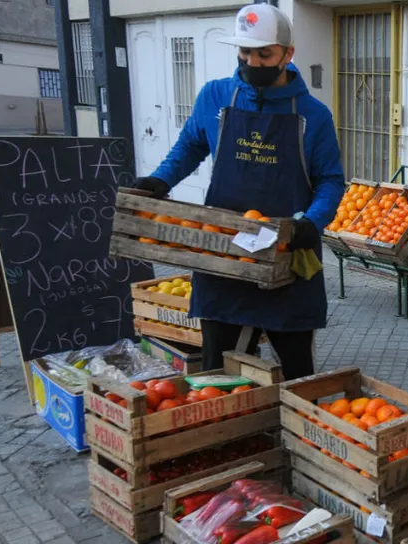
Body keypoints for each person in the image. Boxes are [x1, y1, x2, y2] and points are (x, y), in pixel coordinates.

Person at [130, 4, 344, 380]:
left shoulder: (313, 115)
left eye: (265, 54)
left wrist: (313, 220)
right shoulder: (215, 96)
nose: (253, 62)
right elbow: (190, 146)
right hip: (223, 255)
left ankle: (291, 430)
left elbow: (330, 180)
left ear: (287, 54)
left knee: (296, 371)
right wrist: (160, 180)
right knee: (219, 370)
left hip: (287, 255)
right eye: (245, 53)